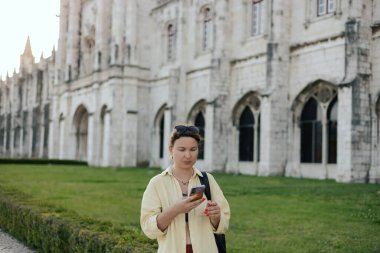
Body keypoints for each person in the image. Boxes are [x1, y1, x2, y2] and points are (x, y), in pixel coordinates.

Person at [140, 125, 230, 253]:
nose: (188, 155)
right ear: (171, 149)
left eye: (193, 149)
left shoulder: (208, 180)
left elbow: (224, 223)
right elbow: (148, 228)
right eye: (182, 149)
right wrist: (175, 209)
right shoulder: (156, 183)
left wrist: (216, 216)